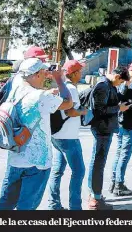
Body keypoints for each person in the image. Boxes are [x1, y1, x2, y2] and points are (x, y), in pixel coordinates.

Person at [0, 58, 73, 211]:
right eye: (44, 73)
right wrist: (58, 79)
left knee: (5, 204)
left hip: (15, 157)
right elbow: (68, 102)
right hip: (37, 161)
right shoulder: (41, 97)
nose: (46, 76)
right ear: (36, 74)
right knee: (27, 207)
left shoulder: (13, 90)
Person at [86, 66, 131, 210]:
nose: (120, 85)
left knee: (98, 162)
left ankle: (94, 194)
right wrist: (119, 108)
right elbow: (99, 110)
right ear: (117, 76)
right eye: (121, 82)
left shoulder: (109, 86)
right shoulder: (103, 86)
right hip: (102, 129)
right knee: (98, 163)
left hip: (105, 128)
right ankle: (95, 198)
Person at [48, 59, 88, 211]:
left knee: (57, 171)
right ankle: (75, 207)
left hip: (57, 135)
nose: (82, 73)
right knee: (79, 171)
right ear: (75, 73)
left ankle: (54, 205)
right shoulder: (71, 89)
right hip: (69, 137)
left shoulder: (62, 87)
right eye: (80, 71)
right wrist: (83, 111)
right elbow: (70, 111)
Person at [110, 63, 132, 196]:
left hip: (121, 122)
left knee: (119, 153)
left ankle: (114, 182)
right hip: (131, 124)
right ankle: (119, 184)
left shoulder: (120, 83)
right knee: (124, 154)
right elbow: (131, 103)